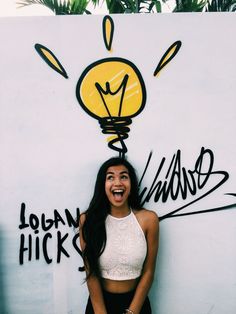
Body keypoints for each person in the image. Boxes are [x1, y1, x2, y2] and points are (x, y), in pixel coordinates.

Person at [79, 157, 159, 314]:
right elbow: (91, 272)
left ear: (131, 184)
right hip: (99, 305)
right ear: (103, 185)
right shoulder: (87, 220)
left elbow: (149, 272)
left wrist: (132, 311)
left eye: (123, 176)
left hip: (137, 304)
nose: (117, 183)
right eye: (110, 177)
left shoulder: (149, 220)